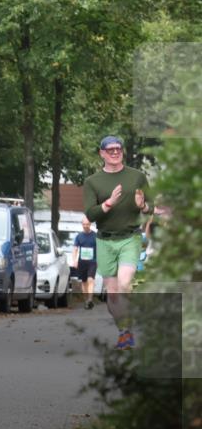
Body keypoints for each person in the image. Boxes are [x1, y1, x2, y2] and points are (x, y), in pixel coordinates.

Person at [82, 135, 153, 350]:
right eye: (110, 149)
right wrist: (109, 203)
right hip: (104, 240)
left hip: (130, 237)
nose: (115, 152)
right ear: (102, 153)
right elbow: (90, 214)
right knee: (112, 296)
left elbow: (151, 205)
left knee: (124, 285)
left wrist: (143, 206)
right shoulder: (92, 182)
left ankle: (127, 329)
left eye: (118, 149)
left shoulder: (137, 177)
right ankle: (125, 330)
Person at [71, 217, 97, 310]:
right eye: (84, 224)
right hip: (82, 262)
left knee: (91, 280)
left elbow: (100, 249)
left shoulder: (95, 236)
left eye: (87, 224)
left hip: (92, 262)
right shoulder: (79, 236)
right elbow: (75, 249)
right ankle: (86, 300)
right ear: (82, 225)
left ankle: (90, 299)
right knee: (84, 281)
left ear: (90, 224)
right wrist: (74, 260)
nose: (85, 226)